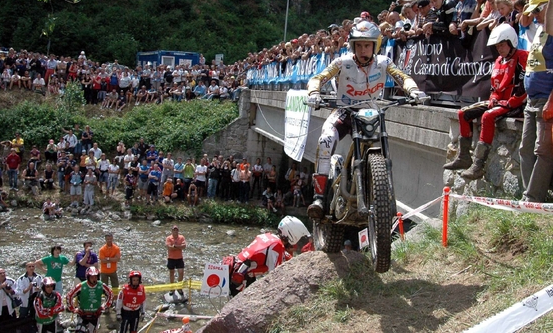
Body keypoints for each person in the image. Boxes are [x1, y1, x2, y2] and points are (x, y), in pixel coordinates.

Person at [306, 21, 427, 219]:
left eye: (368, 45)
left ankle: (383, 193)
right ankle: (319, 197)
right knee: (325, 140)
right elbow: (318, 78)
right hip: (345, 111)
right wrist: (314, 93)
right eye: (359, 45)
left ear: (375, 46)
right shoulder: (342, 62)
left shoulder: (384, 62)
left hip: (371, 112)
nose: (363, 49)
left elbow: (403, 77)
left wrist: (413, 91)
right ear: (353, 46)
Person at [444, 24, 528, 179]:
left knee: (487, 117)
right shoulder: (499, 60)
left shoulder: (523, 57)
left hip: (514, 104)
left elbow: (525, 86)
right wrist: (495, 97)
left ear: (511, 42)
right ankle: (464, 157)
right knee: (463, 113)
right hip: (499, 101)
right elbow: (495, 86)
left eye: (502, 45)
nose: (499, 49)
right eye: (497, 46)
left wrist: (510, 102)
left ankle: (478, 165)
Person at [520, 0, 553, 202]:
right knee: (525, 149)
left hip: (545, 100)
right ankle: (527, 193)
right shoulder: (539, 30)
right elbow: (524, 20)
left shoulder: (549, 30)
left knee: (543, 150)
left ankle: (533, 198)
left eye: (537, 11)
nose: (534, 16)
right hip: (531, 100)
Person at [226, 216, 309, 296]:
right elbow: (276, 274)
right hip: (240, 278)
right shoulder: (277, 245)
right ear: (293, 235)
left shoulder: (267, 236)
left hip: (237, 270)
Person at [66, 267, 113, 333]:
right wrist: (73, 309)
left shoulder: (101, 285)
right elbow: (69, 296)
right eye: (92, 277)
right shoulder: (81, 286)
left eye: (95, 277)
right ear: (88, 277)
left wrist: (104, 306)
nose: (94, 279)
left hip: (95, 315)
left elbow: (110, 294)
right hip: (83, 314)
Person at [165, 225, 187, 296]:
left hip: (179, 258)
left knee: (181, 272)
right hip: (171, 258)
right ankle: (172, 288)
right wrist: (178, 247)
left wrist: (175, 246)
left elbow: (184, 246)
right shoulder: (168, 238)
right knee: (172, 273)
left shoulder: (181, 237)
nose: (175, 231)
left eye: (176, 230)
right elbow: (170, 248)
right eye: (174, 230)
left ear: (178, 231)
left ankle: (179, 287)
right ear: (172, 231)